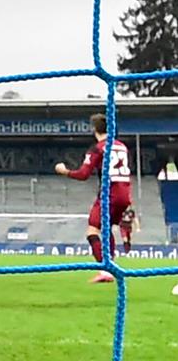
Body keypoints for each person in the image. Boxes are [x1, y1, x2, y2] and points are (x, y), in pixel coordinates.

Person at [55, 113, 132, 284]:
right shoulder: (121, 146)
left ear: (94, 129)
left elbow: (83, 174)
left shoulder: (98, 148)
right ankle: (110, 265)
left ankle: (105, 270)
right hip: (125, 193)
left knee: (92, 230)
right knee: (107, 228)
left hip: (109, 194)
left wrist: (64, 171)